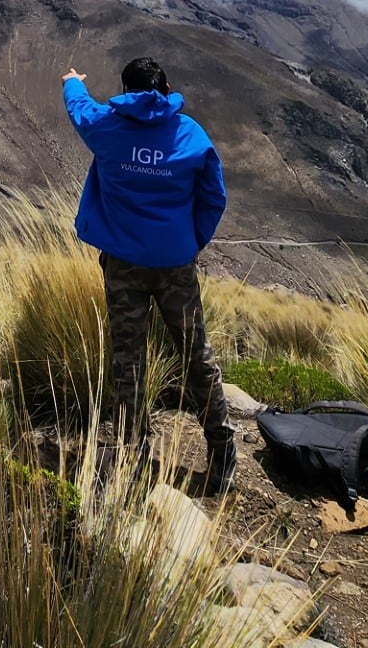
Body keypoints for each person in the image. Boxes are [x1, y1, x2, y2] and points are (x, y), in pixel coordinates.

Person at [62, 56, 237, 493]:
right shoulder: (190, 134)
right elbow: (214, 196)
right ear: (167, 87)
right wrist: (188, 241)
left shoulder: (106, 127)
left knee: (129, 360)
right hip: (176, 265)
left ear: (123, 90)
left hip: (124, 265)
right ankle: (221, 449)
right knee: (195, 354)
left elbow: (79, 108)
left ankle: (134, 456)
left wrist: (73, 82)